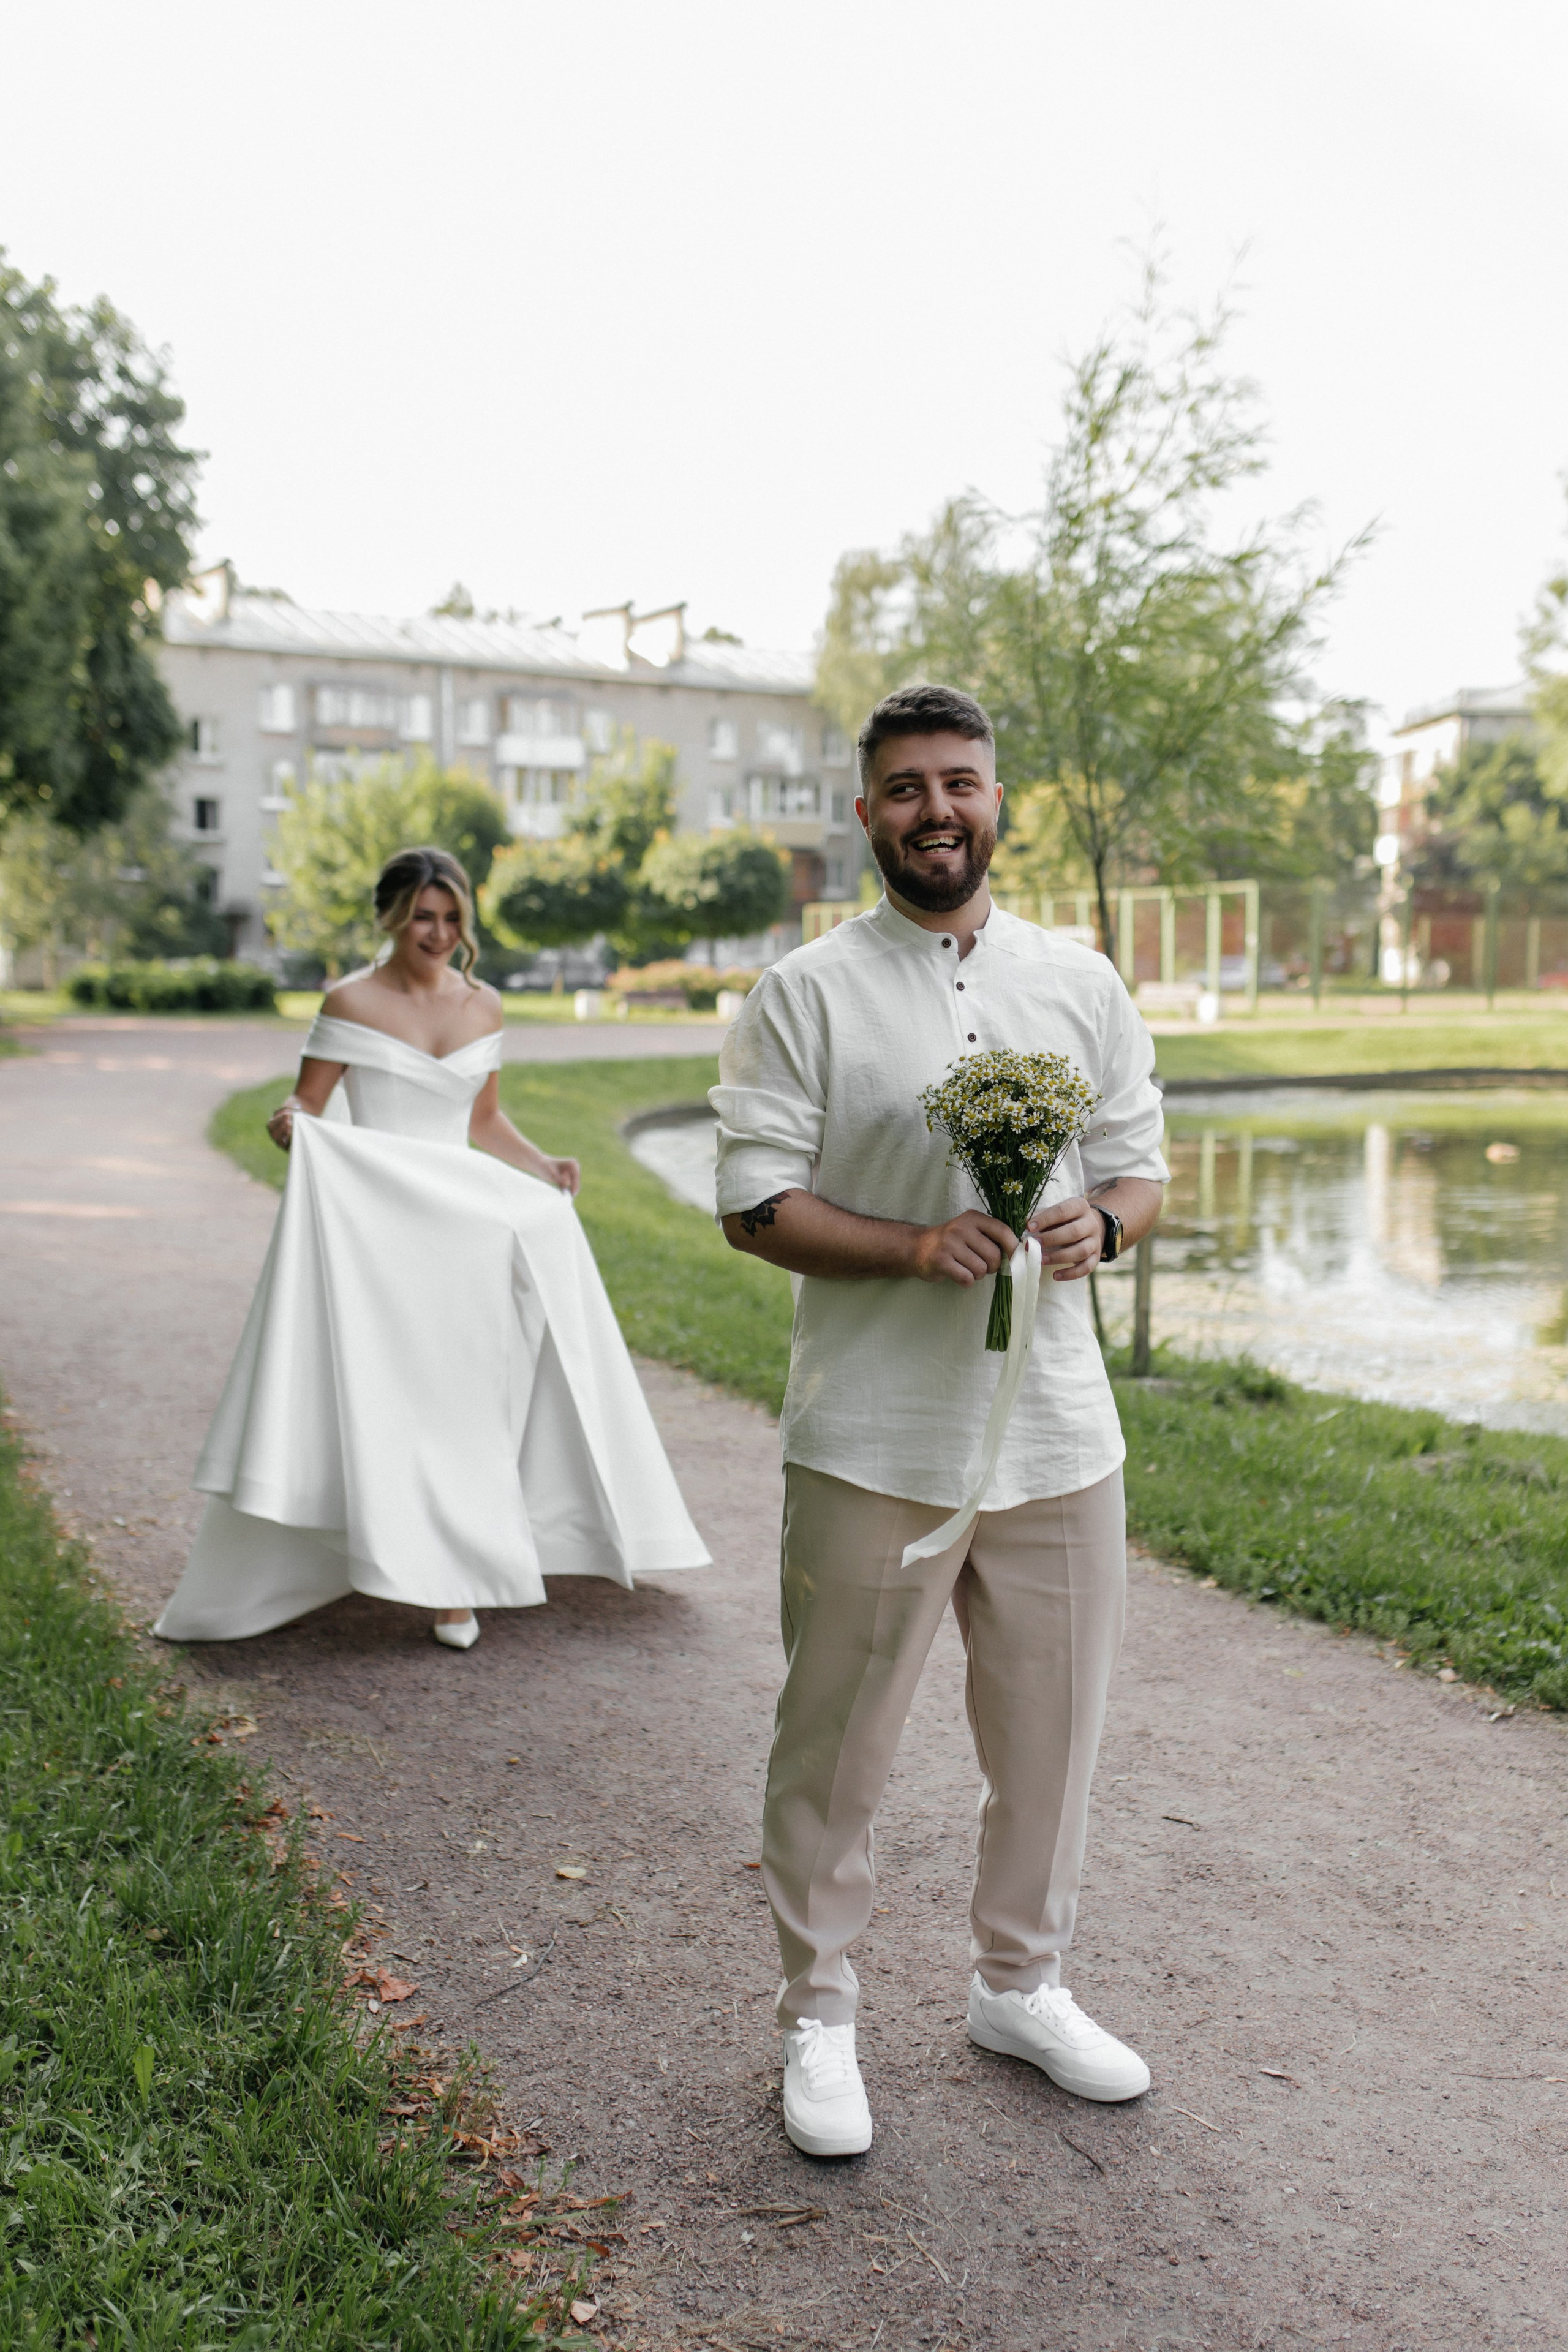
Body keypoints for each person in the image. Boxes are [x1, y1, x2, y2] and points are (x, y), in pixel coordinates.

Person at [714, 684, 1167, 2157]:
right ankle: (817, 2011)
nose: (934, 811)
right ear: (866, 813)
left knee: (1049, 1734)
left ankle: (1019, 1987)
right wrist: (912, 1248)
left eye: (957, 783)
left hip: (1057, 1432)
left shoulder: (1077, 981)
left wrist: (1102, 1222)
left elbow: (1138, 1168)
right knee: (834, 1742)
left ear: (994, 802)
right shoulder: (804, 992)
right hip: (874, 1436)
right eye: (904, 788)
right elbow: (752, 1204)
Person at [156, 845, 710, 1651]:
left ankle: (458, 1574)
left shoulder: (484, 1005)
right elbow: (306, 1105)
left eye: (452, 918)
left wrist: (542, 1163)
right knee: (398, 1399)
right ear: (391, 918)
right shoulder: (348, 1001)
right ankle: (427, 1571)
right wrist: (290, 1125)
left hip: (464, 1229)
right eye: (423, 916)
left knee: (466, 1398)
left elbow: (482, 1119)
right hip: (379, 1230)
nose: (440, 933)